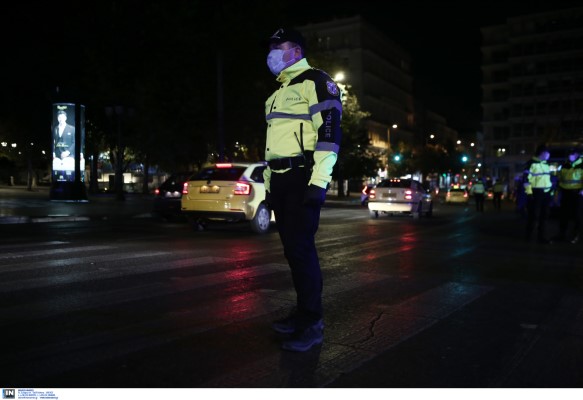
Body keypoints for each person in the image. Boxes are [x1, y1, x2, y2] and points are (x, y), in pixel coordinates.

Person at [262, 27, 342, 352]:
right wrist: (268, 188)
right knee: (293, 253)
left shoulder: (317, 81)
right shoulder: (276, 93)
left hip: (301, 178)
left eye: (277, 47)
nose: (271, 54)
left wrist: (319, 182)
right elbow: (271, 147)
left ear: (295, 50)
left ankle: (313, 324)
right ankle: (302, 313)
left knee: (303, 252)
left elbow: (329, 132)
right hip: (280, 181)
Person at [523, 144, 553, 244]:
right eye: (547, 153)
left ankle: (542, 236)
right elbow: (526, 180)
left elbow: (548, 179)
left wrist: (551, 192)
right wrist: (529, 193)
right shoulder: (531, 163)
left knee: (544, 216)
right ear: (542, 153)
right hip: (536, 193)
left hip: (546, 194)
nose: (549, 155)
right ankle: (529, 236)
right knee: (533, 215)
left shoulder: (546, 164)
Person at [553, 148, 582, 243]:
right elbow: (559, 179)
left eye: (572, 154)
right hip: (565, 193)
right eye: (569, 154)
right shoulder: (565, 165)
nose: (569, 156)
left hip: (578, 194)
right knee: (564, 215)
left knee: (577, 215)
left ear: (577, 154)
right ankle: (562, 234)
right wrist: (557, 193)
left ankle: (576, 235)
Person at [53, 110, 76, 174]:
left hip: (69, 156)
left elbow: (74, 142)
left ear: (65, 118)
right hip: (57, 157)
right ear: (57, 118)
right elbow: (54, 142)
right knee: (57, 172)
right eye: (59, 117)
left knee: (68, 173)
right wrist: (53, 153)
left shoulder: (72, 129)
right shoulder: (55, 129)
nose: (61, 119)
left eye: (62, 117)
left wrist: (67, 152)